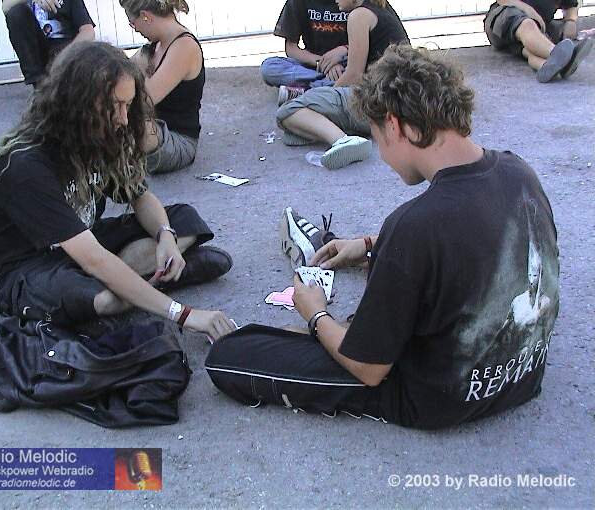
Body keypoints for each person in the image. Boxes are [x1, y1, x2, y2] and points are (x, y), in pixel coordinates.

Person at [206, 45, 560, 430]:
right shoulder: (518, 171)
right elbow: (474, 229)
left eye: (376, 136)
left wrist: (315, 313)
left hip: (440, 398)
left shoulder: (413, 226)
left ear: (393, 125)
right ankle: (351, 321)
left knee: (230, 355)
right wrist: (372, 245)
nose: (384, 157)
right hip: (522, 375)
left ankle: (332, 328)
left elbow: (369, 369)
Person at [0, 41, 235, 342]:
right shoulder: (25, 164)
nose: (124, 118)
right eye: (116, 105)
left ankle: (133, 284)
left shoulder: (99, 135)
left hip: (85, 243)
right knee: (104, 299)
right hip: (30, 267)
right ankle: (138, 284)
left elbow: (140, 196)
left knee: (183, 219)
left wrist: (165, 236)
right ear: (80, 102)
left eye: (128, 105)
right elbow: (93, 259)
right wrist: (183, 314)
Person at [275, 0, 410, 169]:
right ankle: (325, 126)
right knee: (295, 126)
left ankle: (343, 140)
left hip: (379, 103)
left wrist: (326, 95)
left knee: (287, 111)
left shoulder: (358, 16)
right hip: (400, 103)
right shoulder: (377, 8)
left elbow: (354, 75)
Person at [122, 0, 205, 174]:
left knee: (135, 122)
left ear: (145, 16)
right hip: (154, 129)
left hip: (177, 141)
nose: (135, 29)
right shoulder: (155, 46)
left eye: (132, 23)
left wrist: (139, 72)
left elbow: (144, 102)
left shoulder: (184, 46)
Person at [260, 0, 350, 105]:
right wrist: (325, 63)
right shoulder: (296, 2)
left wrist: (343, 49)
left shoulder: (352, 2)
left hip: (347, 63)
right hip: (312, 65)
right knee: (269, 67)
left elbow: (366, 44)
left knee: (361, 72)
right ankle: (327, 88)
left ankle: (306, 91)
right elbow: (291, 49)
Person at [484, 0, 593, 82]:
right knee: (528, 24)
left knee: (530, 49)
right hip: (506, 15)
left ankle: (547, 66)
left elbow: (571, 5)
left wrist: (570, 21)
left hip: (536, 30)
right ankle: (557, 54)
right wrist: (528, 10)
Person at [2, 0, 96, 86]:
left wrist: (68, 53)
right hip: (37, 50)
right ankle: (39, 86)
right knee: (15, 13)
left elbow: (88, 31)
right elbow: (5, 7)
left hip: (63, 47)